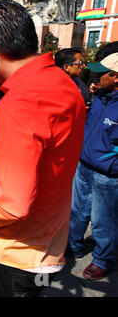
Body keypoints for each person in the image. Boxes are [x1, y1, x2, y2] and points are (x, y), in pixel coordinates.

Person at [0, 0, 86, 297]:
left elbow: (10, 205)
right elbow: (43, 153)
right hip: (46, 245)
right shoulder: (65, 86)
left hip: (9, 254)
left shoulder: (18, 104)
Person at [67, 52, 118, 280]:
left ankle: (103, 259)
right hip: (84, 165)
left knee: (102, 220)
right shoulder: (99, 96)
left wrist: (111, 162)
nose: (94, 77)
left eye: (100, 74)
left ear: (116, 78)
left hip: (107, 175)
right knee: (76, 211)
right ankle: (72, 246)